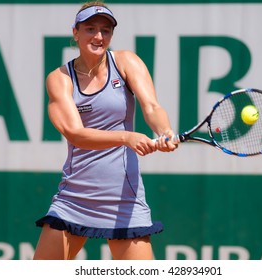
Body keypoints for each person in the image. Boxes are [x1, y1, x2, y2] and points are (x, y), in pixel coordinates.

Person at [33, 1, 178, 260]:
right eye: (90, 29)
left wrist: (165, 130)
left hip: (124, 198)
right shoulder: (59, 78)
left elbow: (152, 107)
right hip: (74, 199)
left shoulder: (126, 62)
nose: (99, 36)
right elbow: (76, 134)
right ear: (75, 32)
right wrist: (126, 137)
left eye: (106, 30)